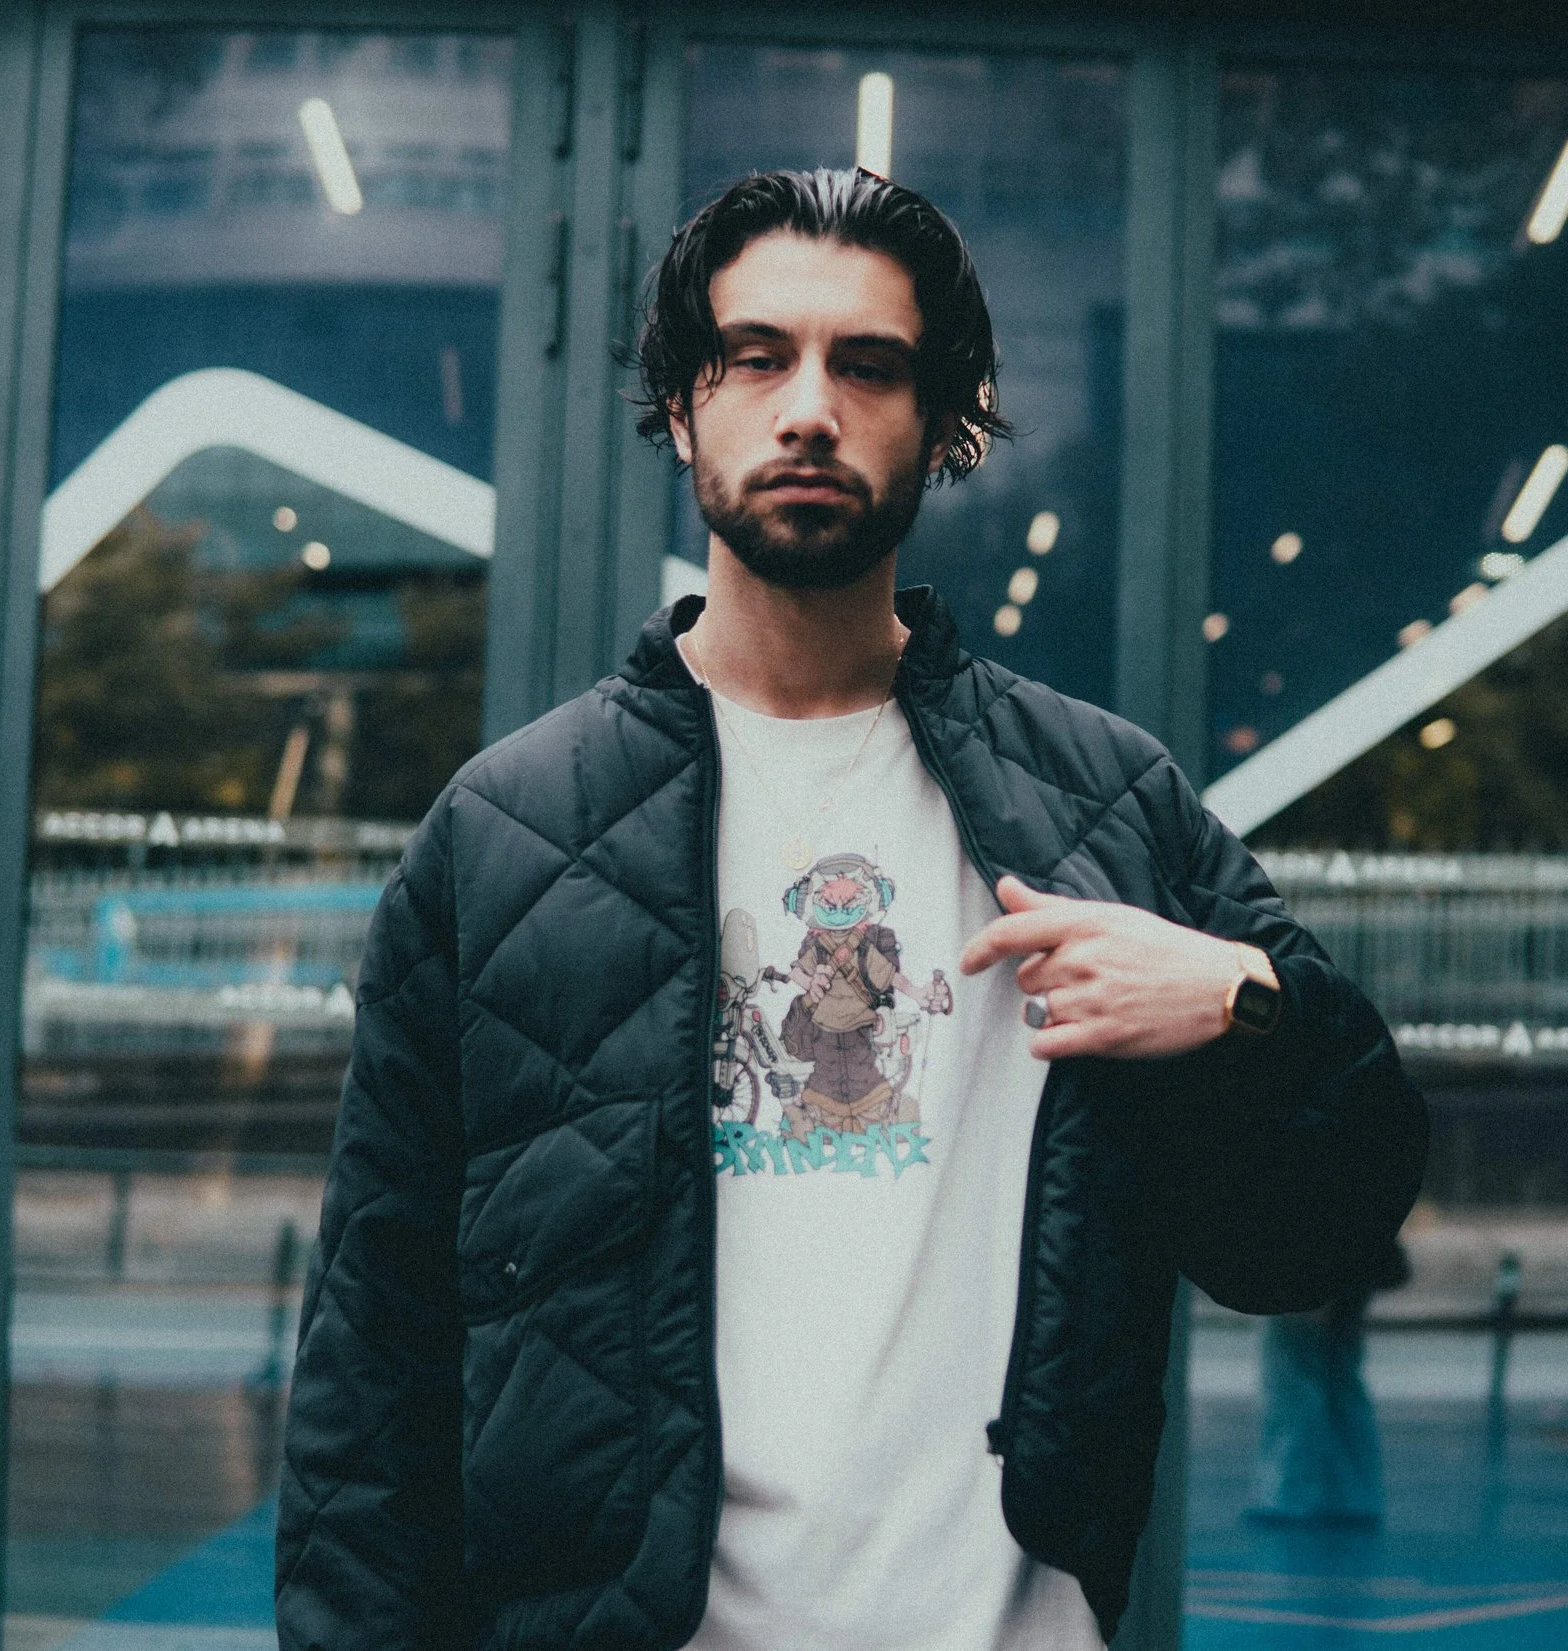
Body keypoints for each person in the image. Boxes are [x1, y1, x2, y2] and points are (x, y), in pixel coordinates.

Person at [275, 167, 1427, 1651]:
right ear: (684, 408)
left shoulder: (1103, 804)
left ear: (941, 423)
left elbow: (1312, 1239)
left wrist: (1240, 1008)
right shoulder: (505, 831)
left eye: (867, 364)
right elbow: (373, 1361)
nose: (808, 406)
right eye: (757, 357)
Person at [1244, 1240, 1410, 1529]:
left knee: (1294, 1375)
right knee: (1339, 1377)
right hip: (1354, 1251)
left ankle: (1290, 1494)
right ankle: (1354, 1496)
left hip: (1306, 1256)